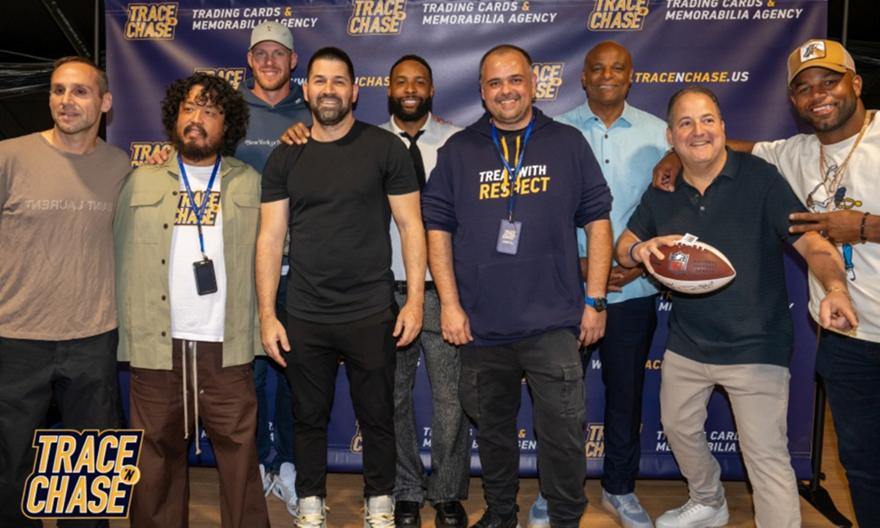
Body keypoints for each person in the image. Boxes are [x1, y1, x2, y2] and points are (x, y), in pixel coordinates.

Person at [652, 39, 880, 527]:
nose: (818, 95)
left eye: (830, 81)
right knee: (863, 464)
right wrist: (676, 155)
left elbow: (814, 244)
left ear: (856, 83)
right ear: (793, 100)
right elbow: (724, 149)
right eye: (805, 88)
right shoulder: (792, 153)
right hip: (849, 335)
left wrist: (864, 227)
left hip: (805, 329)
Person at [422, 44, 613, 528]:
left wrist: (595, 299)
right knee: (493, 433)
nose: (505, 91)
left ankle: (566, 517)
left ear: (533, 84)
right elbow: (436, 229)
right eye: (495, 82)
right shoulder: (459, 150)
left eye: (515, 80)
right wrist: (449, 305)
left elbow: (598, 222)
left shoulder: (567, 143)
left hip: (554, 322)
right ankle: (502, 513)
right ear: (482, 91)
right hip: (482, 326)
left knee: (563, 433)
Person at [257, 47, 425, 528]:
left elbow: (411, 226)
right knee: (308, 416)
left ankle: (379, 501)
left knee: (378, 416)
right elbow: (270, 237)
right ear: (306, 89)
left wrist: (414, 300)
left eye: (338, 81)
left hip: (371, 309)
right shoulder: (285, 156)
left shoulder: (385, 148)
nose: (328, 90)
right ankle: (310, 502)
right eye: (319, 81)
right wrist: (267, 314)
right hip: (305, 311)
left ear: (354, 92)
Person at [114, 72, 268, 528]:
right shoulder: (138, 182)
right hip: (157, 345)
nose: (196, 119)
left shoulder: (250, 183)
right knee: (155, 459)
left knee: (239, 456)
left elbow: (275, 252)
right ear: (174, 117)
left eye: (210, 111)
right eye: (188, 108)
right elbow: (115, 255)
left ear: (228, 124)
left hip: (226, 344)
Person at [526, 40, 667, 528]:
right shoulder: (554, 132)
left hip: (635, 289)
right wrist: (580, 264)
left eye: (617, 68)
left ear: (631, 76)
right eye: (597, 68)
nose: (607, 75)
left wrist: (643, 265)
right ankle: (555, 490)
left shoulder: (660, 134)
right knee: (559, 400)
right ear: (583, 77)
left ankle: (620, 489)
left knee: (626, 396)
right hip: (568, 291)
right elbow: (537, 211)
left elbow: (672, 209)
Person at [0, 56, 129, 528]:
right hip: (15, 337)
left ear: (105, 102)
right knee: (9, 469)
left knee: (89, 472)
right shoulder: (8, 156)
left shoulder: (121, 166)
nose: (66, 101)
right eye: (58, 90)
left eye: (80, 91)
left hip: (92, 337)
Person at [378, 55, 471, 528]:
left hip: (443, 290)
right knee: (392, 398)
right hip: (384, 289)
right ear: (388, 89)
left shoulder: (459, 142)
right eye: (402, 82)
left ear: (432, 90)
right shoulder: (368, 142)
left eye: (419, 82)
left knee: (451, 398)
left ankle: (448, 492)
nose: (410, 89)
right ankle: (406, 491)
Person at [240, 21, 311, 512]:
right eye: (260, 53)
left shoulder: (314, 111)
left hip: (300, 265)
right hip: (240, 264)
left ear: (293, 61)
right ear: (250, 61)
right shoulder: (229, 112)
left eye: (278, 53)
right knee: (246, 374)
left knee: (291, 372)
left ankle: (287, 463)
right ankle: (251, 465)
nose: (269, 61)